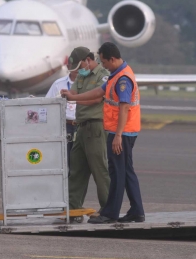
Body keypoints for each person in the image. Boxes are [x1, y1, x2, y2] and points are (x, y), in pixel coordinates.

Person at [61, 42, 145, 224]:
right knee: (127, 172)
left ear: (112, 59)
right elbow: (98, 92)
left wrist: (117, 136)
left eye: (104, 62)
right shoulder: (116, 76)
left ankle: (110, 213)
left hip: (122, 133)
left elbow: (124, 108)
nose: (103, 65)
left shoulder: (123, 79)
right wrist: (73, 97)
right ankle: (137, 211)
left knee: (117, 174)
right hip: (121, 131)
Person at [62, 46, 110, 212]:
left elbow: (97, 99)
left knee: (99, 170)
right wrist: (66, 94)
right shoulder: (81, 77)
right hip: (80, 128)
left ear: (88, 60)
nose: (77, 72)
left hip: (95, 126)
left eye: (79, 67)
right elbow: (73, 91)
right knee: (77, 170)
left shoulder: (103, 75)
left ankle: (108, 208)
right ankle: (73, 208)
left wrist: (73, 98)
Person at [45, 64, 78, 170]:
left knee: (80, 162)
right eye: (75, 66)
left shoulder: (89, 84)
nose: (78, 69)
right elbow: (47, 105)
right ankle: (68, 185)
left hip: (82, 126)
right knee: (64, 160)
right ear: (70, 67)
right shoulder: (59, 84)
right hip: (65, 126)